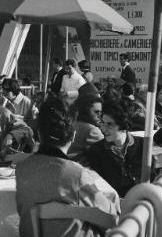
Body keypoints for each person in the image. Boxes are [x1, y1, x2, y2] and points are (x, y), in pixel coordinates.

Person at [16, 97, 120, 237]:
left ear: (39, 134)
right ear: (73, 136)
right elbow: (111, 219)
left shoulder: (22, 168)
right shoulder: (76, 175)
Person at [85, 98, 144, 197]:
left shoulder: (143, 145)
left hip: (140, 202)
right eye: (102, 123)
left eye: (109, 124)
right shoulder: (96, 151)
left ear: (123, 124)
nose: (103, 129)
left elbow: (152, 177)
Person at [69, 94, 104, 159]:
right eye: (96, 112)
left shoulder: (72, 123)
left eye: (101, 112)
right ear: (85, 111)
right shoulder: (92, 130)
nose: (99, 115)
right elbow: (105, 154)